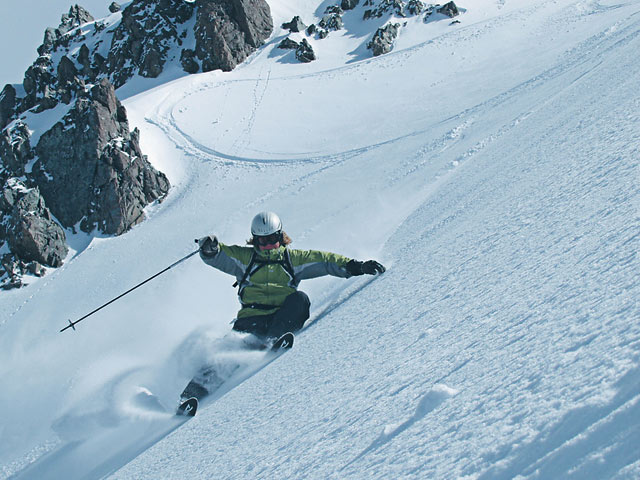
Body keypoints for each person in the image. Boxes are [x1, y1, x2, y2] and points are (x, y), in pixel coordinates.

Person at [198, 211, 385, 343]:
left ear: (280, 236)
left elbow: (326, 261)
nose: (268, 245)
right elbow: (220, 255)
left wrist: (358, 266)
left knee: (300, 299)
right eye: (263, 241)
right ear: (255, 240)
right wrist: (210, 248)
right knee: (229, 350)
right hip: (252, 318)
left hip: (282, 317)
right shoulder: (245, 258)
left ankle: (272, 340)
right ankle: (192, 393)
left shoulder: (293, 260)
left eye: (273, 239)